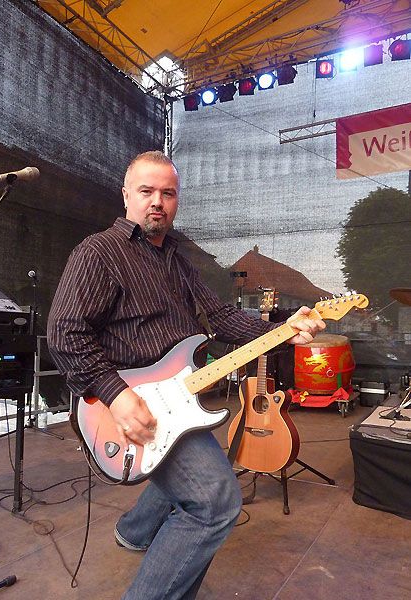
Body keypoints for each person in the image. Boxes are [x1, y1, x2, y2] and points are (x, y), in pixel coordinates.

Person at [47, 150, 325, 599]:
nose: (157, 201)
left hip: (177, 397)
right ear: (126, 195)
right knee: (215, 503)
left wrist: (285, 331)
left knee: (196, 473)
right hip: (125, 404)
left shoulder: (177, 259)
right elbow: (64, 333)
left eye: (168, 193)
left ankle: (135, 532)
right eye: (147, 191)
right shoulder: (99, 252)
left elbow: (221, 317)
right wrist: (117, 395)